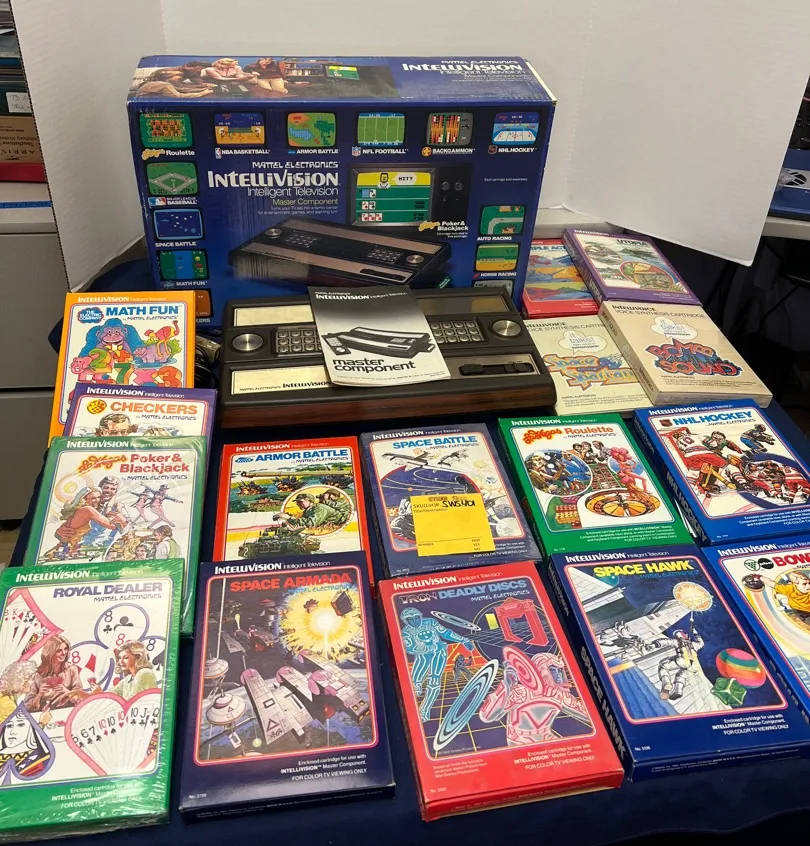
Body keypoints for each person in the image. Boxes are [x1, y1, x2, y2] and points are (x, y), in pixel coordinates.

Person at [42, 488, 127, 560]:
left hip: (82, 550)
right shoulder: (87, 510)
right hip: (67, 551)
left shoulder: (82, 511)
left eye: (98, 497)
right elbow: (112, 525)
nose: (97, 500)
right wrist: (117, 511)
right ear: (84, 500)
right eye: (93, 498)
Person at [24, 636, 89, 712]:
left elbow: (80, 698)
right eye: (59, 651)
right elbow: (29, 706)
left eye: (65, 649)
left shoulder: (71, 669)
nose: (64, 653)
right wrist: (40, 694)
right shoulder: (37, 674)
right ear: (50, 653)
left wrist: (66, 691)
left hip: (67, 711)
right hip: (45, 713)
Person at [0, 707, 51, 778]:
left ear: (31, 728)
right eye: (9, 726)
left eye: (20, 725)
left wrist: (41, 724)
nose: (12, 732)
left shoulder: (36, 754)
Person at [274, 493, 342, 531]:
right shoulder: (308, 510)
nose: (298, 504)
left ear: (310, 501)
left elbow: (311, 523)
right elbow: (302, 523)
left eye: (300, 502)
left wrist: (289, 518)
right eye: (297, 502)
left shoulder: (320, 508)